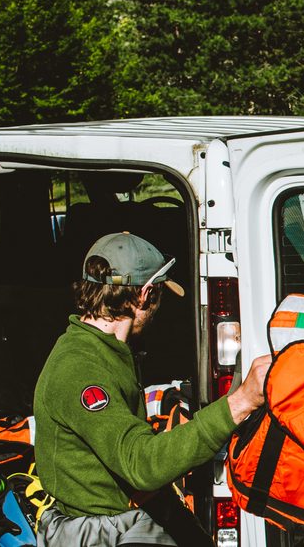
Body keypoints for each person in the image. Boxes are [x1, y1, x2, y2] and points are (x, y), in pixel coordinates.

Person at [34, 232, 272, 546]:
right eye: (159, 294)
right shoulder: (80, 368)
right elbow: (142, 465)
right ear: (145, 294)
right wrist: (239, 403)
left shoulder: (106, 351)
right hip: (101, 532)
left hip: (125, 516)